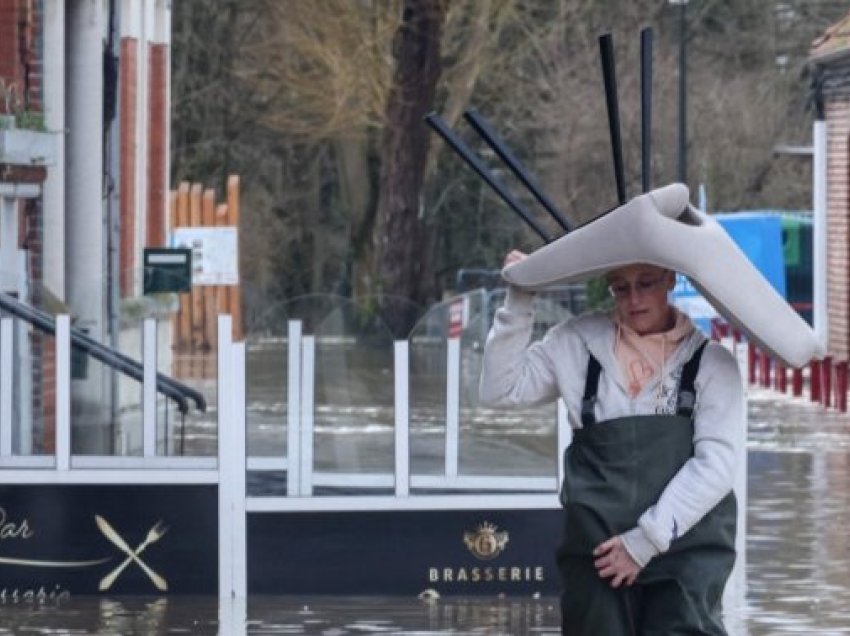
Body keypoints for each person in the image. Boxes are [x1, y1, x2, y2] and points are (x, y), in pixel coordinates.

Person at [479, 252, 744, 636]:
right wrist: (520, 297)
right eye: (621, 287)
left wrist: (644, 542)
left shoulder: (712, 363)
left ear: (671, 279)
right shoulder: (574, 343)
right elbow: (498, 391)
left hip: (687, 550)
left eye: (647, 283)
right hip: (596, 551)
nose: (634, 299)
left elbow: (716, 465)